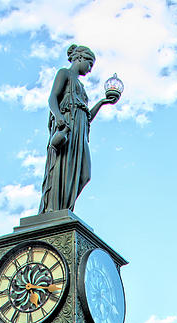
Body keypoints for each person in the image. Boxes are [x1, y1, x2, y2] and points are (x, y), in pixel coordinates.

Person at [39, 44, 118, 213]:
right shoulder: (64, 74)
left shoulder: (81, 88)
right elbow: (52, 98)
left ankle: (65, 209)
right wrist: (59, 117)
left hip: (80, 132)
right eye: (89, 64)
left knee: (84, 174)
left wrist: (103, 102)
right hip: (67, 126)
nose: (89, 70)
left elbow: (87, 116)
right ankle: (56, 209)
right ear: (80, 58)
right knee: (63, 167)